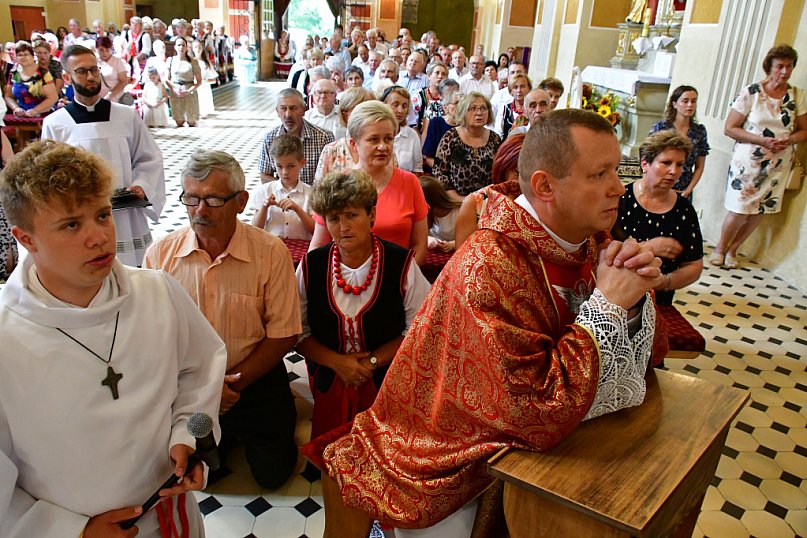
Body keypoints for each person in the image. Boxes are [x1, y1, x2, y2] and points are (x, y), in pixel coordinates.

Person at [315, 109, 667, 536]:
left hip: (569, 446)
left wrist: (632, 299)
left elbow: (646, 353)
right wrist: (610, 305)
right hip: (455, 459)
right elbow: (532, 410)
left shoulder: (589, 239)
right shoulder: (489, 266)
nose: (619, 187)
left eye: (616, 170)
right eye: (600, 174)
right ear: (544, 186)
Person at [0, 140, 226, 537]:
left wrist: (186, 438)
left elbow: (199, 371)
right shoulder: (6, 336)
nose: (100, 237)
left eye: (103, 215)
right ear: (26, 238)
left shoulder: (157, 291)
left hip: (169, 515)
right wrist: (70, 531)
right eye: (72, 224)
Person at [143, 149, 302, 489]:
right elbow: (152, 336)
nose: (199, 211)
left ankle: (240, 434)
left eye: (214, 199)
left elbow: (283, 334)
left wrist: (232, 384)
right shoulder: (161, 256)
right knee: (200, 476)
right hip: (192, 389)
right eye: (191, 199)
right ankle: (216, 440)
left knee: (272, 474)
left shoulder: (270, 252)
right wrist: (208, 389)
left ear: (241, 201)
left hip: (254, 380)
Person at [297, 169, 430, 442]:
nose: (343, 226)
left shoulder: (401, 264)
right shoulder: (311, 266)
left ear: (371, 215)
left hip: (387, 381)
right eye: (334, 218)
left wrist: (370, 362)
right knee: (332, 454)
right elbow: (296, 331)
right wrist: (339, 363)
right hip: (330, 379)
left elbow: (419, 328)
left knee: (384, 453)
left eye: (352, 215)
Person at [42, 45, 165, 268]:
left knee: (133, 275)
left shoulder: (126, 116)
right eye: (81, 71)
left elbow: (149, 158)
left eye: (94, 70)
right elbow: (49, 177)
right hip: (83, 216)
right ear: (67, 77)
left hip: (126, 216)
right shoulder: (55, 124)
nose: (90, 76)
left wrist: (141, 186)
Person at [711, 46, 806, 269]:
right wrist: (761, 140)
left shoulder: (796, 96)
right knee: (739, 208)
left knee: (760, 209)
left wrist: (789, 140)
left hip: (778, 162)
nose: (784, 71)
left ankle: (734, 250)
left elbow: (804, 130)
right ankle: (720, 248)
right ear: (769, 67)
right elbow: (730, 128)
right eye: (779, 66)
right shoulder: (752, 92)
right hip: (749, 161)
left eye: (789, 66)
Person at [308, 101, 428, 265]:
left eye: (388, 139)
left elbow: (420, 244)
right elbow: (319, 244)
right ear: (353, 144)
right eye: (373, 139)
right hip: (344, 281)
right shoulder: (335, 185)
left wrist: (405, 278)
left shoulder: (410, 183)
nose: (382, 146)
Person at [613, 131, 703, 306]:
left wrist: (665, 282)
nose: (674, 171)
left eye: (680, 165)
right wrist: (649, 247)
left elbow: (694, 265)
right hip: (615, 295)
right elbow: (598, 252)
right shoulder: (620, 200)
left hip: (657, 302)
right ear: (645, 163)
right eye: (666, 163)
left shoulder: (684, 210)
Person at [454, 132, 525, 248]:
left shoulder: (545, 206)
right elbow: (461, 260)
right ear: (503, 168)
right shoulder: (475, 203)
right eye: (517, 173)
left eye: (530, 175)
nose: (523, 182)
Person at [259, 88, 335, 184]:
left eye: (293, 108)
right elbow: (265, 175)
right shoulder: (270, 138)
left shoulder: (324, 137)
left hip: (314, 196)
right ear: (277, 111)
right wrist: (286, 189)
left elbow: (332, 176)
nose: (288, 115)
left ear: (304, 110)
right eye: (283, 108)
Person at [434, 91, 501, 198]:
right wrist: (459, 200)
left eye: (483, 108)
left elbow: (500, 173)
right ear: (463, 112)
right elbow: (440, 174)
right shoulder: (450, 137)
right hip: (455, 201)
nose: (479, 113)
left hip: (488, 202)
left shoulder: (495, 139)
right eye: (472, 108)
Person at [249, 134, 314, 239]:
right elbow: (255, 229)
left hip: (302, 248)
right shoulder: (265, 190)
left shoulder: (310, 193)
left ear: (302, 163)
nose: (285, 172)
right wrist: (264, 207)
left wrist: (298, 209)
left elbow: (315, 231)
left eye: (291, 166)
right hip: (270, 247)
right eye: (279, 166)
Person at [650, 85, 709, 198]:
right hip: (660, 183)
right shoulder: (661, 128)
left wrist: (688, 190)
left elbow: (699, 166)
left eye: (693, 101)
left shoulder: (699, 131)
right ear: (674, 104)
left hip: (684, 187)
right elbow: (649, 158)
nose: (690, 105)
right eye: (685, 101)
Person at [315, 87, 376, 181]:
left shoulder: (383, 150)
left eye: (370, 111)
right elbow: (319, 190)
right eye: (359, 110)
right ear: (345, 114)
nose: (366, 116)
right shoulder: (332, 151)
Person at [3, 41, 58, 118]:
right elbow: (8, 96)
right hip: (22, 116)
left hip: (45, 115)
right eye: (19, 55)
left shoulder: (43, 73)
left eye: (26, 54)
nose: (23, 57)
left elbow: (53, 98)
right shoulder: (14, 74)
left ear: (33, 56)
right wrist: (16, 108)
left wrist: (35, 111)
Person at [381, 85, 423, 173]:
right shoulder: (375, 132)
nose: (400, 110)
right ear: (384, 106)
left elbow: (417, 169)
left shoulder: (412, 135)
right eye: (395, 105)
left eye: (404, 106)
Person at [421, 81, 461, 169]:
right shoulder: (436, 123)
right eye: (456, 103)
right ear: (445, 107)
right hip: (439, 171)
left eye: (462, 103)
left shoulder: (465, 125)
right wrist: (443, 170)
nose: (460, 106)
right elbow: (429, 157)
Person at [165, 36, 201, 127]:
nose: (181, 47)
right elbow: (166, 79)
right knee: (179, 122)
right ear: (175, 47)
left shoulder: (193, 61)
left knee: (191, 122)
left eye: (183, 45)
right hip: (176, 90)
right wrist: (174, 89)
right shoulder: (170, 60)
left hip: (189, 90)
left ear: (186, 47)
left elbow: (199, 81)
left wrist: (189, 91)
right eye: (179, 45)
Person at [420, 175, 460, 252]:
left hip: (458, 251)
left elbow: (472, 236)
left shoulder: (459, 210)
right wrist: (430, 240)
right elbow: (418, 236)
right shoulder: (423, 215)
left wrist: (452, 244)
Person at [495, 73, 531, 138]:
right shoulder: (504, 110)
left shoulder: (533, 110)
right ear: (511, 91)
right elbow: (498, 134)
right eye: (515, 87)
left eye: (522, 86)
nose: (519, 90)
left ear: (529, 88)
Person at [96, 36, 128, 103]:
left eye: (107, 50)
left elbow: (124, 81)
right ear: (97, 49)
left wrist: (110, 95)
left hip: (114, 98)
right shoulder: (94, 61)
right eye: (101, 50)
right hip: (98, 98)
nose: (104, 53)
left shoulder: (117, 61)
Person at [192, 39, 218, 118]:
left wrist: (205, 81)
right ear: (192, 49)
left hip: (205, 88)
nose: (198, 49)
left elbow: (214, 79)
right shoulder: (191, 61)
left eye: (199, 47)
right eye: (195, 47)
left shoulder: (206, 62)